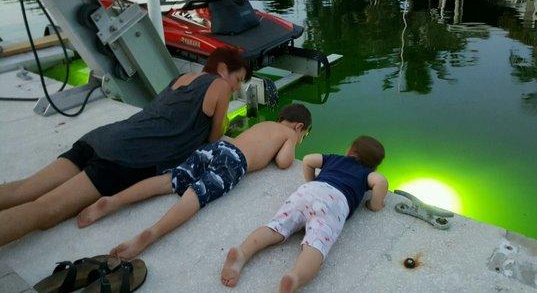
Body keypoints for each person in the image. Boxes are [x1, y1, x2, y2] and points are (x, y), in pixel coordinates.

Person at [0, 48, 250, 246]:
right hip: (126, 157)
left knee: (24, 189)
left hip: (102, 138)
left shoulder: (181, 78)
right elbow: (215, 137)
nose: (236, 87)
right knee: (45, 210)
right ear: (223, 68)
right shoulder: (219, 86)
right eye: (238, 79)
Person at [84, 104, 312, 260]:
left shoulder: (263, 125)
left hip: (218, 148)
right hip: (234, 162)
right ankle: (152, 234)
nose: (302, 140)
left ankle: (113, 201)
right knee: (196, 195)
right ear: (299, 126)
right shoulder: (290, 134)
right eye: (305, 136)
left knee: (169, 180)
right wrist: (292, 142)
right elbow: (284, 162)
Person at [221, 136, 388, 293]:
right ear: (374, 165)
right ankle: (295, 278)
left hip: (308, 192)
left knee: (276, 226)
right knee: (316, 244)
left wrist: (311, 182)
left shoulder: (334, 158)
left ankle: (242, 253)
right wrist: (374, 205)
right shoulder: (367, 174)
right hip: (335, 203)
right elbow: (380, 182)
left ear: (350, 150)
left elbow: (308, 159)